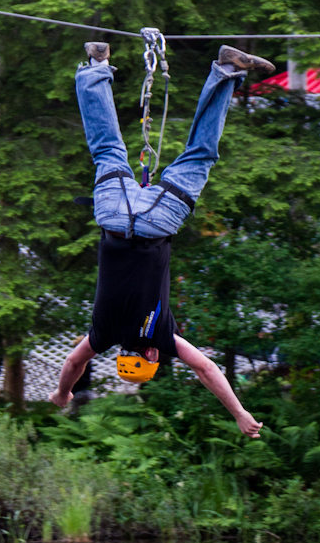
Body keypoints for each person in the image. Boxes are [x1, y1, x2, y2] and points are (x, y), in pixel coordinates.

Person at [49, 43, 275, 439]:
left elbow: (205, 368)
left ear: (152, 356)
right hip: (113, 215)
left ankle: (224, 71)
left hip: (157, 224)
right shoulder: (102, 334)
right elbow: (73, 362)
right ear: (122, 353)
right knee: (106, 148)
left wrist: (240, 413)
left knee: (200, 155)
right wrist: (61, 392)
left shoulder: (160, 336)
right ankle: (95, 65)